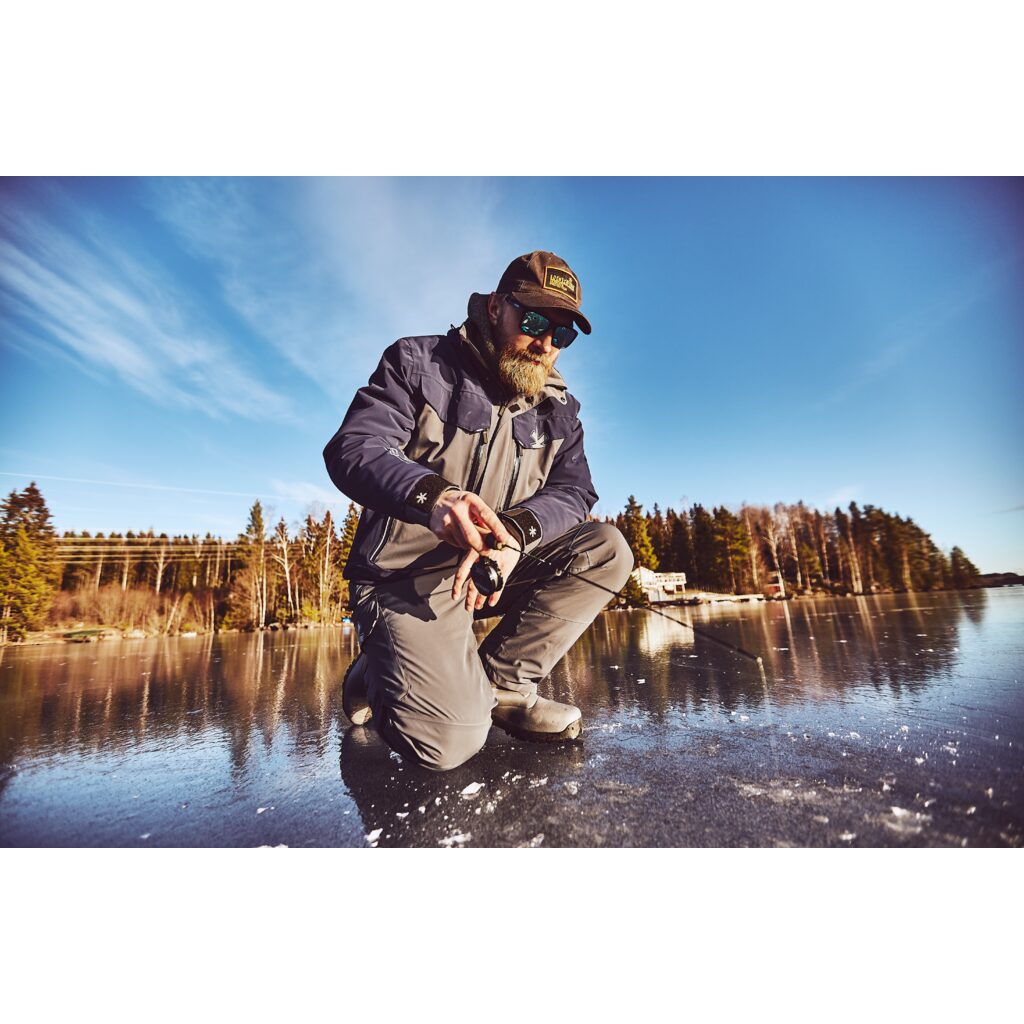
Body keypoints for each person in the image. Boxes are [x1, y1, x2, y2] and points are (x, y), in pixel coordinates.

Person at [324, 251, 633, 771]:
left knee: (607, 551)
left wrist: (515, 533)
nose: (546, 344)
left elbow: (575, 491)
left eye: (562, 334)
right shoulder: (417, 362)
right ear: (495, 307)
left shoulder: (560, 410)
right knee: (448, 744)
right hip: (406, 581)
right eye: (533, 323)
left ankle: (505, 687)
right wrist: (432, 498)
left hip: (492, 571)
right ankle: (378, 670)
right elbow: (355, 448)